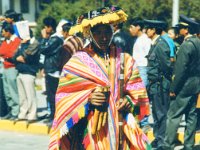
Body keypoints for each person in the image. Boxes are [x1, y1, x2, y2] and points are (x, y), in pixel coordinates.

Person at [49, 6, 151, 150]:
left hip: (120, 126)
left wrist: (128, 102)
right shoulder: (78, 61)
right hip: (90, 128)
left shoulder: (124, 58)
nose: (104, 37)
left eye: (107, 32)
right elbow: (64, 96)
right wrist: (88, 99)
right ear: (89, 34)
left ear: (113, 31)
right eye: (98, 33)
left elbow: (137, 92)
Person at [163, 15, 200, 150]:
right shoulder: (198, 43)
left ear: (187, 30)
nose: (179, 30)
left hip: (184, 86)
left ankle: (168, 145)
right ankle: (189, 145)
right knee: (191, 117)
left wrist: (173, 88)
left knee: (174, 116)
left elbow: (180, 70)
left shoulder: (186, 45)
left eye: (181, 28)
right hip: (196, 86)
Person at [145, 19, 172, 149]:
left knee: (161, 114)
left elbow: (167, 66)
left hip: (160, 85)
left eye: (148, 29)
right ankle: (158, 138)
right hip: (154, 85)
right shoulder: (155, 44)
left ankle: (162, 142)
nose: (146, 31)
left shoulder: (161, 45)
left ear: (154, 30)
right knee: (156, 114)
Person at [40, 18, 70, 125]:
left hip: (53, 71)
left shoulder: (55, 39)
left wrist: (44, 38)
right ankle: (53, 115)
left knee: (53, 95)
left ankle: (54, 117)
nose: (44, 29)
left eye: (46, 27)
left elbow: (43, 50)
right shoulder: (54, 39)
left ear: (50, 27)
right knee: (51, 95)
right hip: (51, 70)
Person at [12, 29, 40, 123]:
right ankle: (23, 113)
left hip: (29, 72)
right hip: (20, 71)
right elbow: (14, 56)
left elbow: (27, 55)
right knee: (22, 96)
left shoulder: (34, 43)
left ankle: (32, 115)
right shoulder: (22, 45)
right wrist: (21, 46)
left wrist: (23, 48)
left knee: (30, 95)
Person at [0, 23, 21, 120]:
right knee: (7, 91)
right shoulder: (5, 41)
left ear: (8, 32)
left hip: (12, 68)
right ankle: (11, 110)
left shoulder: (16, 40)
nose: (2, 34)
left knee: (13, 91)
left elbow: (12, 54)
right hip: (4, 67)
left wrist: (5, 56)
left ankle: (16, 111)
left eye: (3, 32)